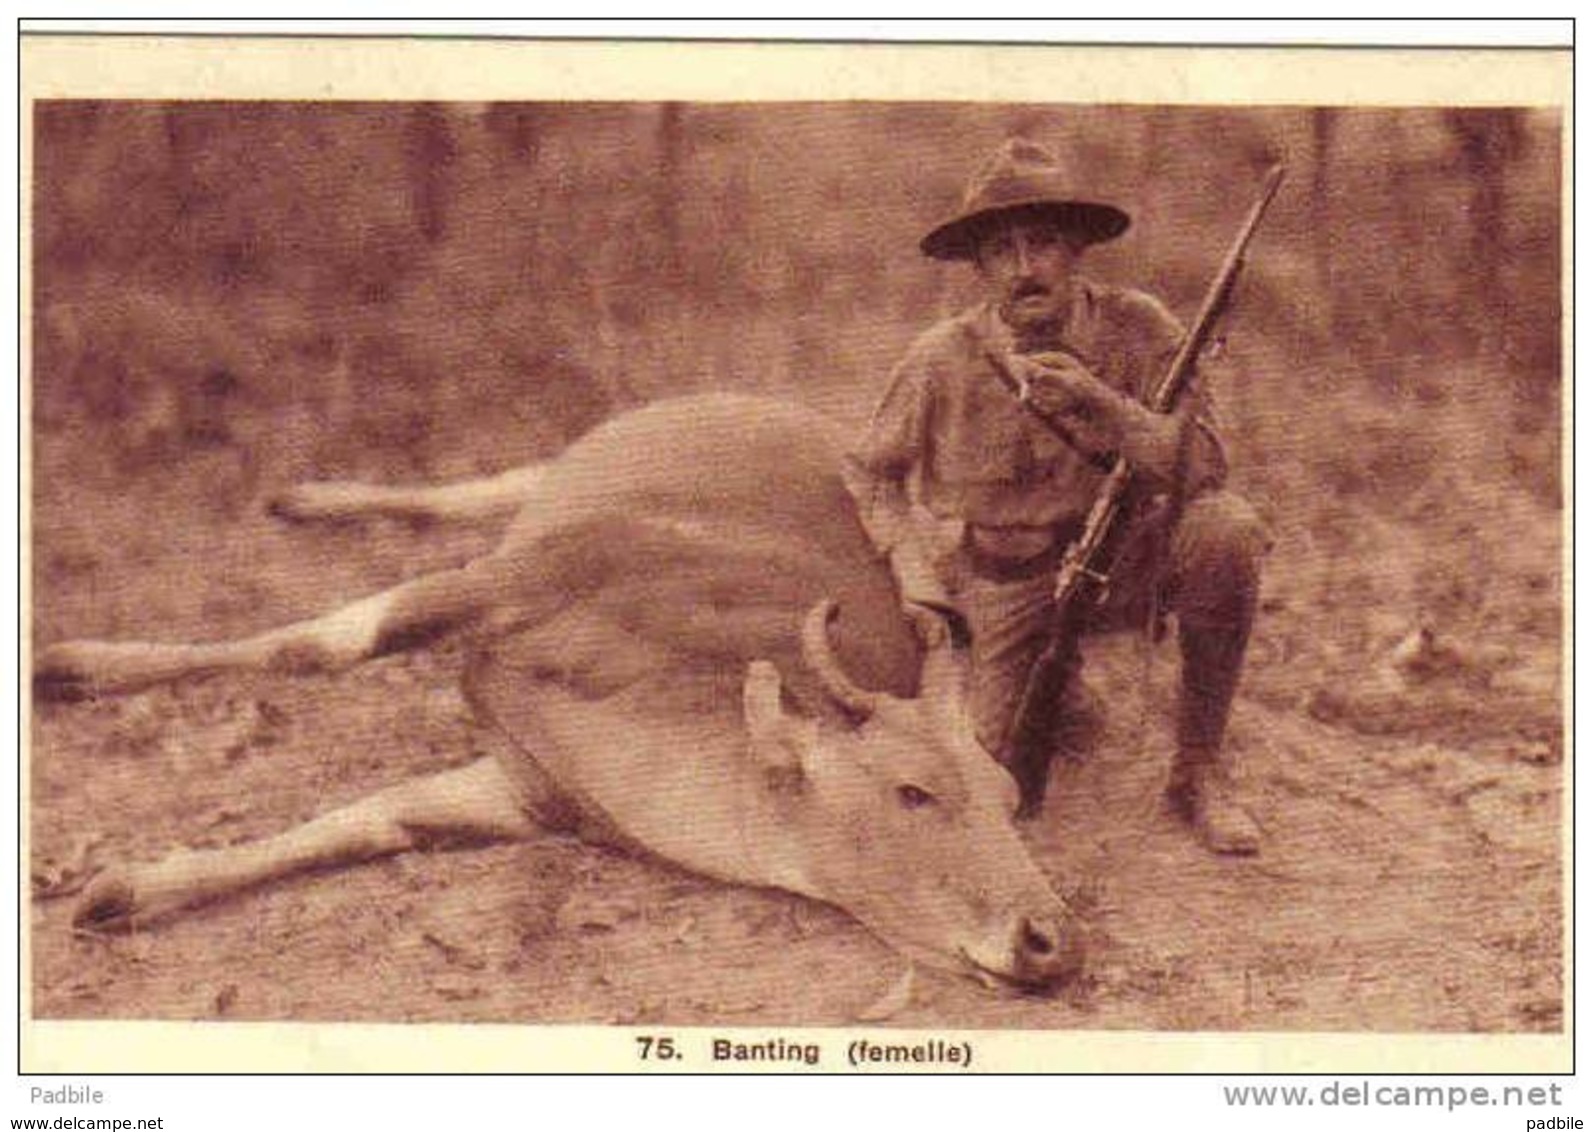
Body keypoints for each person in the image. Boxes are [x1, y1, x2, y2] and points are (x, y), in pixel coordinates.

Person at [845, 138, 1271, 855]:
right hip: (1003, 582)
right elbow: (868, 472)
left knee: (1224, 533)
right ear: (978, 267)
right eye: (1001, 250)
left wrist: (1102, 403)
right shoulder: (940, 359)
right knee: (992, 784)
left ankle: (1198, 770)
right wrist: (915, 575)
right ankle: (1059, 691)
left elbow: (1203, 466)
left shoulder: (1138, 329)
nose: (1023, 267)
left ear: (1075, 252)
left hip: (1126, 561)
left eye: (1042, 244)